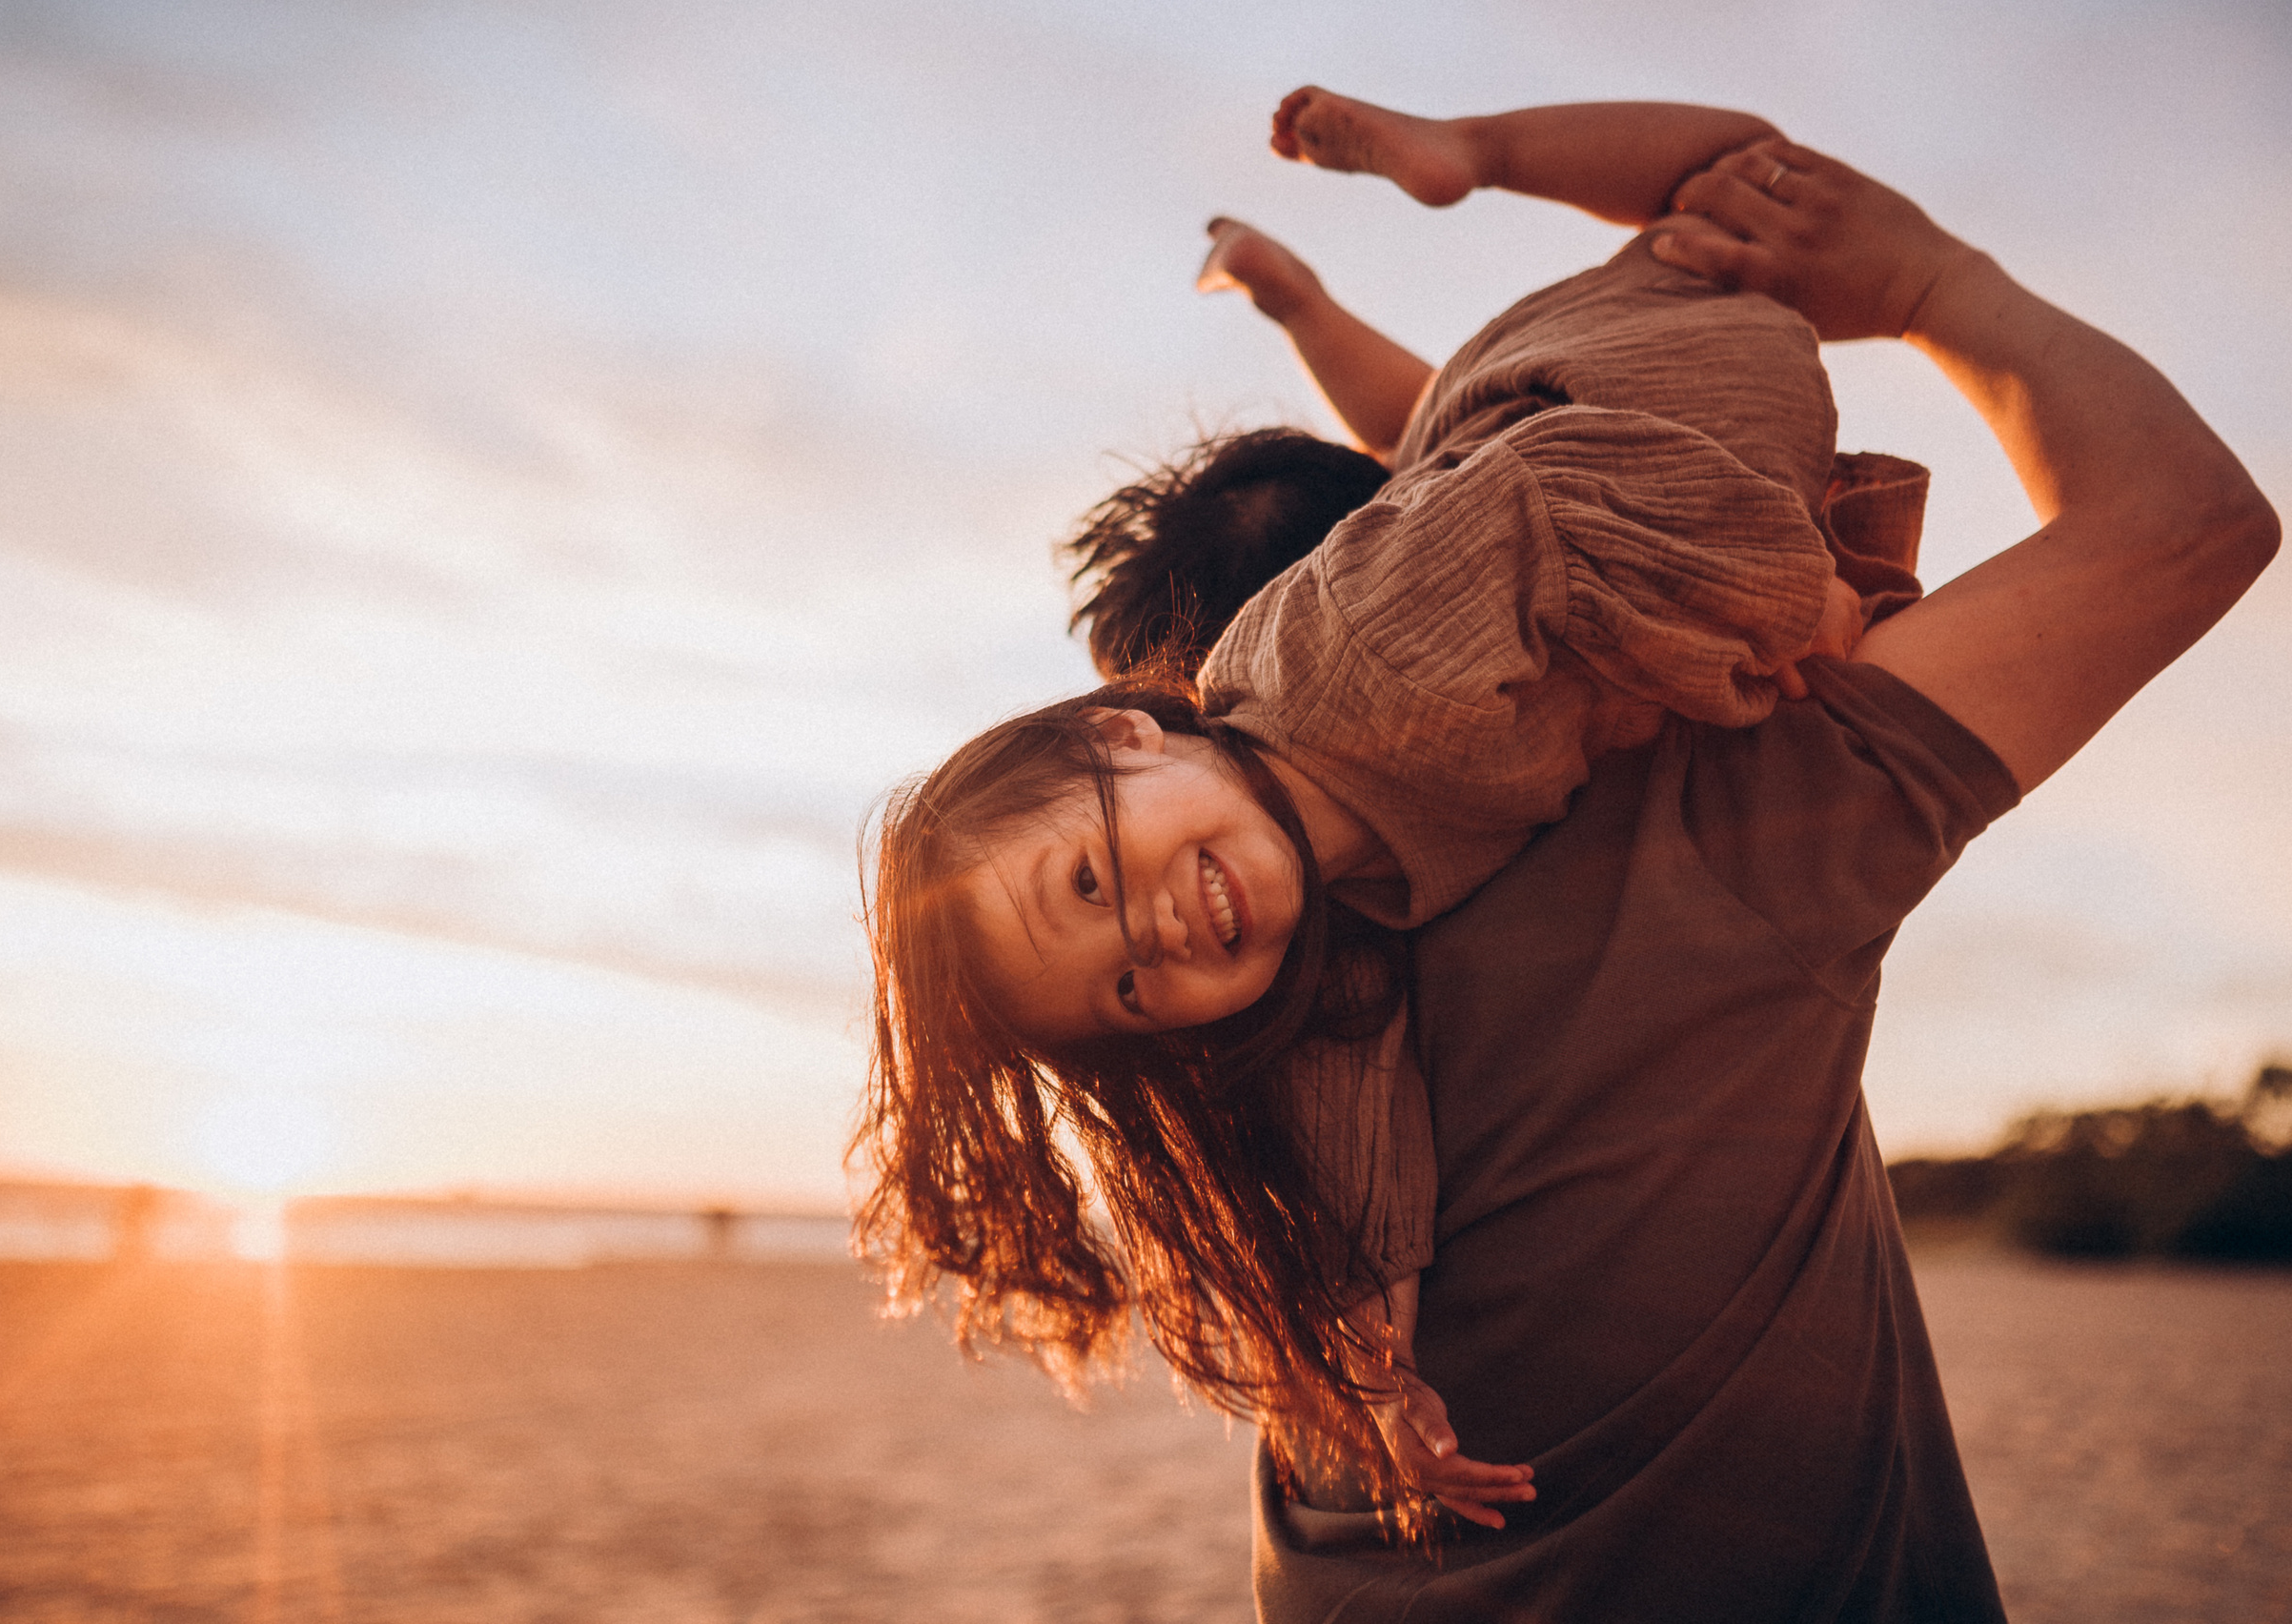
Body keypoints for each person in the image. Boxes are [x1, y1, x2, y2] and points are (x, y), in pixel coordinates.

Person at [1238, 93, 2276, 1622]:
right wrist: (1932, 288)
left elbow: (1412, 451)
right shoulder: (1720, 807)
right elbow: (2188, 524)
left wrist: (1311, 310)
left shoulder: (1212, 989)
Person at [856, 95, 1910, 1533]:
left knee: (1722, 185)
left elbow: (1555, 484)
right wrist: (1378, 1367)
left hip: (1657, 391)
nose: (1158, 937)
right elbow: (1354, 1122)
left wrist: (1790, 603)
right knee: (1433, 434)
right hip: (1510, 439)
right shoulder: (1329, 924)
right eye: (1125, 989)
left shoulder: (1351, 658)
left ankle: (1463, 155)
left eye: (1097, 882)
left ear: (1126, 724)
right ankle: (1325, 276)